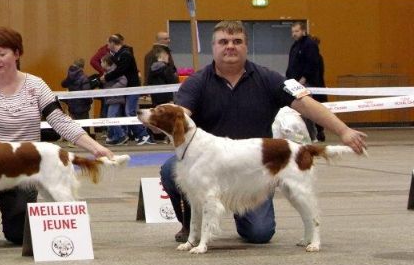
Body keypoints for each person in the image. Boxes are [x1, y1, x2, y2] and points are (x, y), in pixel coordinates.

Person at [158, 20, 367, 244]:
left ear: (246, 47)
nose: (230, 46)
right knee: (172, 168)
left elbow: (305, 103)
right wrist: (158, 119)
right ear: (214, 47)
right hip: (208, 166)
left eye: (237, 41)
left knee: (259, 234)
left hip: (253, 170)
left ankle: (242, 217)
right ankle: (192, 226)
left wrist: (343, 130)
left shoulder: (270, 78)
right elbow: (182, 115)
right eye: (223, 41)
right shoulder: (196, 82)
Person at [0, 27, 114, 245]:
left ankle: (76, 232)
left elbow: (59, 120)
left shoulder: (36, 85)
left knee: (18, 236)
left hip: (23, 168)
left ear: (17, 53)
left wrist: (95, 148)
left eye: (2, 54)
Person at [101, 34, 152, 145]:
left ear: (113, 43)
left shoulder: (125, 54)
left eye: (108, 43)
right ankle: (132, 135)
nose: (107, 45)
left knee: (130, 112)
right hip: (127, 88)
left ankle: (144, 135)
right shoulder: (119, 55)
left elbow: (120, 70)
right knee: (128, 112)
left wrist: (106, 77)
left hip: (132, 87)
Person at [286, 21, 326, 142]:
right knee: (300, 111)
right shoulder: (295, 46)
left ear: (303, 31)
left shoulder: (309, 44)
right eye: (292, 32)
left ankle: (312, 135)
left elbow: (312, 64)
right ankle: (307, 135)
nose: (294, 34)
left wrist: (303, 80)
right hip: (295, 84)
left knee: (306, 110)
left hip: (306, 85)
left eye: (296, 31)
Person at [99, 54, 130, 145]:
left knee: (111, 118)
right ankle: (115, 137)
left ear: (106, 62)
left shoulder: (114, 71)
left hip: (115, 98)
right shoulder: (107, 72)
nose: (100, 64)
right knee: (113, 118)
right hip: (111, 98)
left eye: (101, 62)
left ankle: (122, 136)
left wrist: (112, 89)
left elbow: (123, 81)